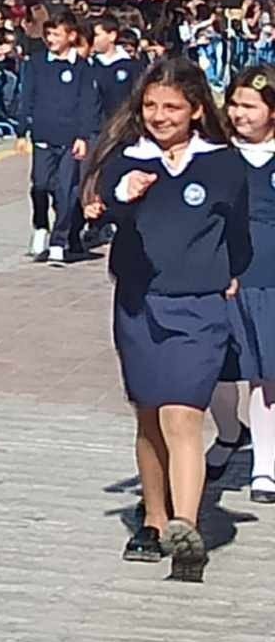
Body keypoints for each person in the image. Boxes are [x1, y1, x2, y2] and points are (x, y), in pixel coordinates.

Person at [85, 56, 247, 583]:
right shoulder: (127, 159)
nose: (159, 116)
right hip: (139, 305)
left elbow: (240, 235)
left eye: (172, 107)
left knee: (184, 416)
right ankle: (152, 518)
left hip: (199, 309)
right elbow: (101, 202)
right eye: (151, 105)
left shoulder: (224, 165)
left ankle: (186, 525)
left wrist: (233, 273)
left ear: (196, 111)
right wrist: (117, 197)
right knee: (150, 416)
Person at [210, 68, 275, 502]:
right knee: (215, 368)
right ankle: (229, 433)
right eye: (233, 104)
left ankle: (266, 465)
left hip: (268, 279)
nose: (238, 114)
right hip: (218, 277)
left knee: (266, 375)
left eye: (249, 106)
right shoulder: (217, 157)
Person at [20, 10, 101, 264]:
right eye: (48, 34)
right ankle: (40, 225)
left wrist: (83, 136)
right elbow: (26, 97)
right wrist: (23, 130)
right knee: (41, 185)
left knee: (67, 190)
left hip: (70, 137)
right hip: (43, 134)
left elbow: (88, 102)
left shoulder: (83, 67)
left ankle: (59, 240)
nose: (51, 39)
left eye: (56, 34)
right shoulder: (36, 63)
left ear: (71, 35)